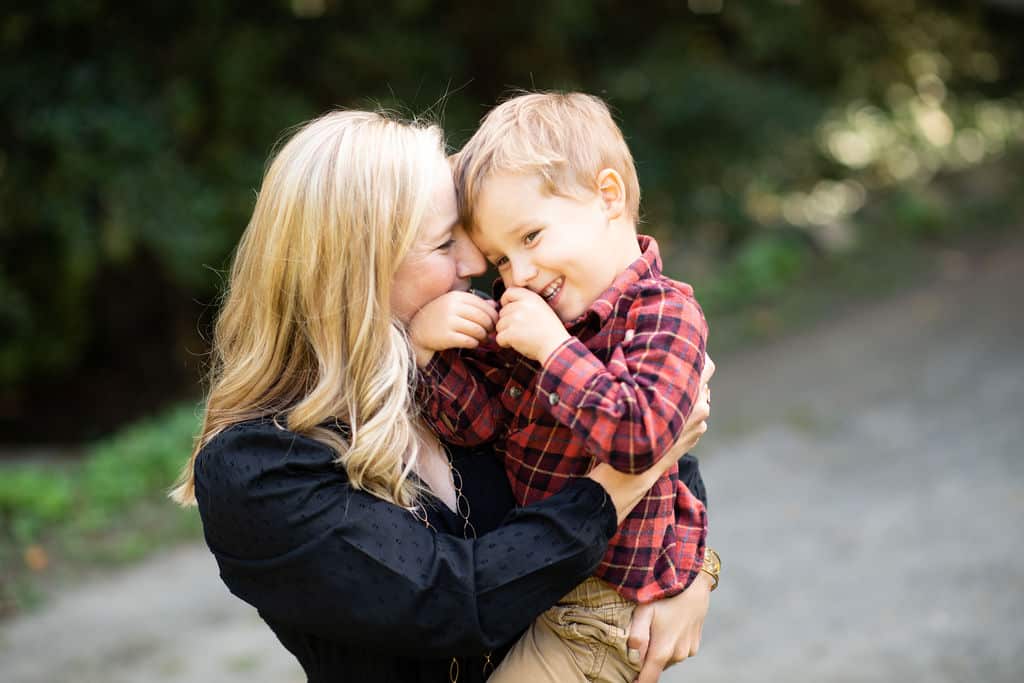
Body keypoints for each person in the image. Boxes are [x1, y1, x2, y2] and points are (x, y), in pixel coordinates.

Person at [171, 109, 715, 683]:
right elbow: (453, 602)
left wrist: (697, 570)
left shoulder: (460, 355)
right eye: (443, 244)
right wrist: (621, 485)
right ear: (358, 271)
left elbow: (654, 436)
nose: (480, 264)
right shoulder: (260, 468)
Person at [410, 92, 716, 682]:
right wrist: (426, 353)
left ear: (608, 196)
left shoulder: (663, 314)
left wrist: (554, 350)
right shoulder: (545, 316)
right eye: (500, 259)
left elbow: (640, 439)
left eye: (530, 237)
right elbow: (477, 425)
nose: (517, 276)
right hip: (540, 590)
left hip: (602, 612)